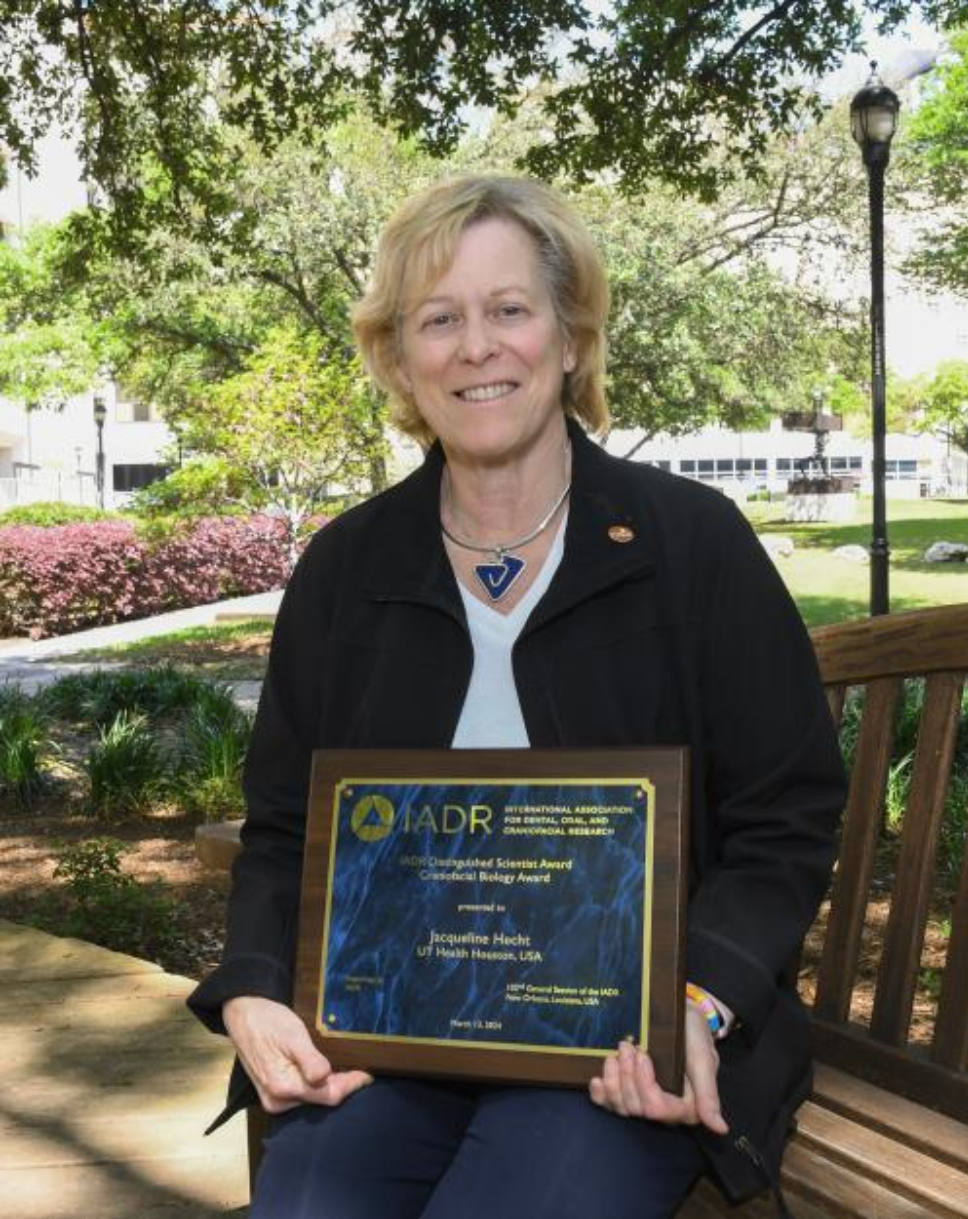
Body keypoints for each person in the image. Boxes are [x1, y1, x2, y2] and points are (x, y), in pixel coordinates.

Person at [188, 175, 846, 1219]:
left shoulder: (692, 542)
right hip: (391, 1040)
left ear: (571, 338)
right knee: (311, 1205)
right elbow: (282, 827)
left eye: (509, 310)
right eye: (439, 319)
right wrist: (259, 986)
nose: (476, 346)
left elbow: (787, 813)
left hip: (621, 1053)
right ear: (399, 358)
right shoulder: (347, 567)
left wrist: (697, 1000)